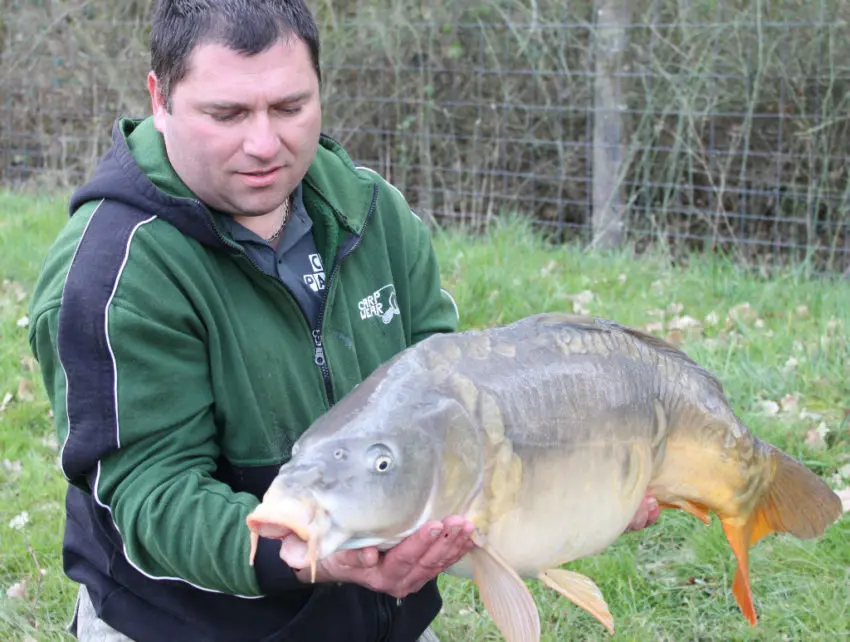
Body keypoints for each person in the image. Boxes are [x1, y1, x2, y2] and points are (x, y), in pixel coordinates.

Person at [27, 1, 658, 640]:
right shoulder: (114, 273)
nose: (264, 144)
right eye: (228, 114)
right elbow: (151, 495)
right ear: (160, 98)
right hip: (186, 625)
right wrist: (305, 555)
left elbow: (450, 387)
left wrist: (578, 484)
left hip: (379, 616)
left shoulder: (371, 211)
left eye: (290, 107)